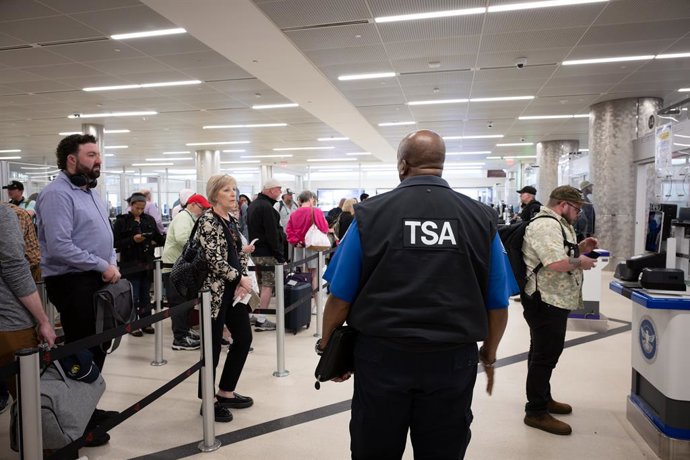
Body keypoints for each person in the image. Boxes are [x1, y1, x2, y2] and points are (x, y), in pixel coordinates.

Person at [319, 129, 514, 459]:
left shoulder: (370, 215)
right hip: (451, 359)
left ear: (402, 165)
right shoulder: (480, 218)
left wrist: (327, 347)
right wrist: (489, 354)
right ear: (441, 164)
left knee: (375, 447)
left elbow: (339, 297)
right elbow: (497, 301)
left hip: (381, 356)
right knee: (443, 449)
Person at [36, 133, 120, 447]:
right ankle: (74, 421)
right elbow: (59, 247)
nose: (98, 160)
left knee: (98, 346)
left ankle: (88, 407)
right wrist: (102, 265)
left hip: (95, 278)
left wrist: (110, 261)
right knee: (82, 350)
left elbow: (103, 235)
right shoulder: (57, 194)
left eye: (98, 154)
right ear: (72, 159)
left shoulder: (88, 191)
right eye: (90, 155)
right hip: (72, 282)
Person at [521, 185, 599, 436]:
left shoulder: (559, 223)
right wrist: (581, 262)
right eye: (576, 208)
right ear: (563, 204)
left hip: (555, 299)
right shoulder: (546, 225)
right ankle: (536, 411)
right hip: (546, 301)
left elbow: (561, 251)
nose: (578, 213)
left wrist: (582, 248)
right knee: (545, 355)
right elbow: (555, 262)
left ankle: (543, 398)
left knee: (544, 352)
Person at [196, 174, 255, 423]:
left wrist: (242, 276)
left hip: (231, 291)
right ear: (215, 195)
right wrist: (238, 278)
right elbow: (214, 260)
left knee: (243, 337)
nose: (233, 194)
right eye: (227, 190)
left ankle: (225, 391)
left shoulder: (230, 220)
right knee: (212, 346)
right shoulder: (208, 220)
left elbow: (235, 253)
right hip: (214, 293)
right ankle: (207, 401)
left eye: (234, 189)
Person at [0, 204, 56, 413]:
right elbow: (15, 268)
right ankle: (39, 445)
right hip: (9, 323)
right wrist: (43, 320)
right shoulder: (4, 214)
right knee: (29, 402)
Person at [163, 193, 211, 350]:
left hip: (183, 268)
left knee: (186, 302)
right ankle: (180, 338)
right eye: (202, 208)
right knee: (179, 304)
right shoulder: (183, 218)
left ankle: (184, 331)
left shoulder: (190, 218)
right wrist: (202, 249)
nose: (203, 211)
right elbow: (182, 238)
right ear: (193, 204)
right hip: (175, 268)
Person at [113, 193, 166, 336]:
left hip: (146, 263)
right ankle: (132, 324)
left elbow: (159, 239)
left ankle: (146, 322)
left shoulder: (148, 220)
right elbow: (115, 243)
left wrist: (152, 240)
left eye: (143, 208)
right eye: (137, 208)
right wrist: (132, 240)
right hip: (130, 264)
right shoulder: (121, 222)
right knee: (133, 295)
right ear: (131, 205)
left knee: (145, 295)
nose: (140, 211)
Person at [247, 178, 287, 331]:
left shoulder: (254, 205)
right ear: (271, 190)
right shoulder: (266, 207)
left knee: (258, 285)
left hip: (255, 251)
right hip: (267, 253)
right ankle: (261, 319)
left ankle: (252, 314)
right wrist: (280, 256)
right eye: (279, 189)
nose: (280, 192)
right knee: (267, 285)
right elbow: (272, 233)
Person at [285, 190, 329, 297]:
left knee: (301, 275)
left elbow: (288, 231)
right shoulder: (316, 211)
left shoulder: (294, 213)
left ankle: (303, 301)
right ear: (311, 199)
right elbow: (324, 228)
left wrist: (297, 242)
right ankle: (316, 304)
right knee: (314, 276)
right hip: (314, 247)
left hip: (299, 248)